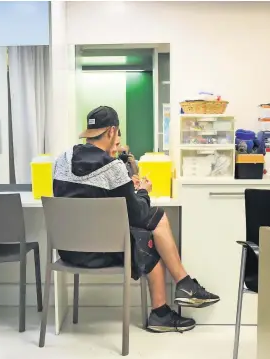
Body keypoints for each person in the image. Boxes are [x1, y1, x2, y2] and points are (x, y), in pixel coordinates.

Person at [53, 106, 220, 333]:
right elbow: (138, 216)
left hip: (68, 250)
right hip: (103, 253)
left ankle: (178, 294)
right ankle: (175, 295)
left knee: (147, 234)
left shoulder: (61, 160)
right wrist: (143, 191)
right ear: (112, 131)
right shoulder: (113, 166)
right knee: (151, 229)